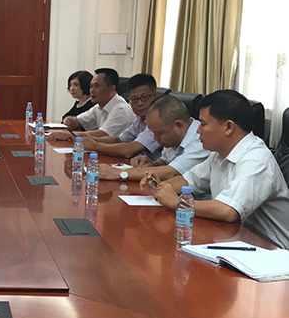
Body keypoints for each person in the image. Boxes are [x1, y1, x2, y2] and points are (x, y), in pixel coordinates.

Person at [146, 90, 289, 249]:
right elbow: (188, 180)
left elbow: (228, 211)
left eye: (203, 124)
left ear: (228, 127)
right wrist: (161, 187)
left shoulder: (256, 159)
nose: (198, 130)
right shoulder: (219, 154)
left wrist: (176, 203)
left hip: (274, 252)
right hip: (238, 241)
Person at [99, 95, 209, 182]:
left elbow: (171, 173)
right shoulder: (174, 136)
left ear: (178, 125)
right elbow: (164, 162)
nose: (155, 139)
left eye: (158, 134)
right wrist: (151, 163)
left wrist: (118, 173)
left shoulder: (201, 142)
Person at [79, 74, 162, 160]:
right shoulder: (140, 120)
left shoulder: (159, 121)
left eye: (144, 97)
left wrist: (95, 146)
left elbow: (129, 150)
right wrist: (88, 139)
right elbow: (119, 140)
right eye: (134, 99)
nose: (139, 103)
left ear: (156, 96)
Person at [48, 68, 135, 140]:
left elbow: (103, 135)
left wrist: (70, 135)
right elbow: (77, 121)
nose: (91, 90)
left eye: (96, 86)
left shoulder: (121, 109)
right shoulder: (98, 107)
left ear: (112, 88)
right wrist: (71, 120)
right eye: (91, 86)